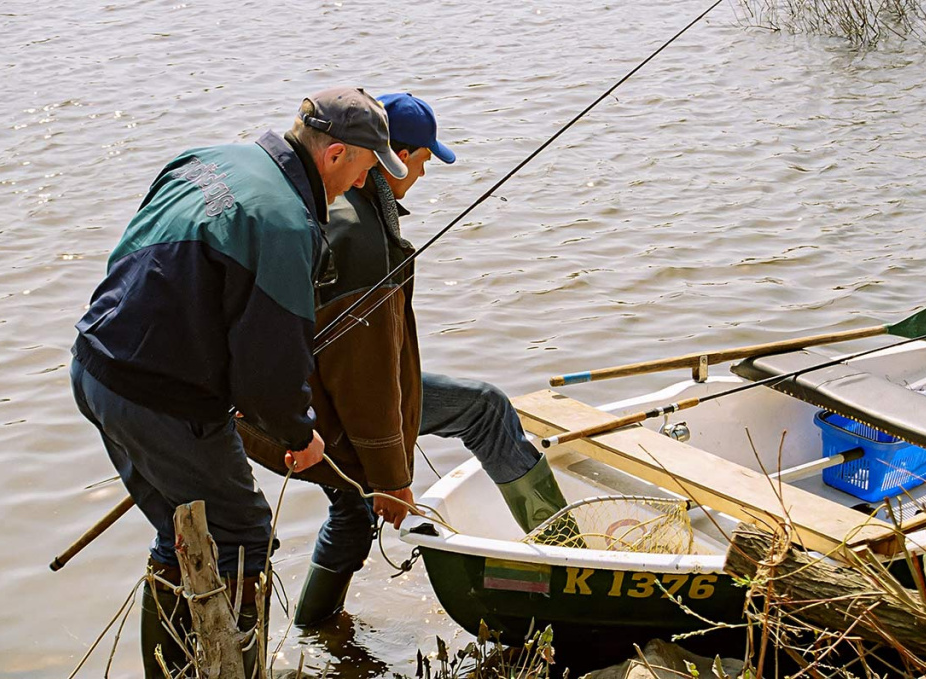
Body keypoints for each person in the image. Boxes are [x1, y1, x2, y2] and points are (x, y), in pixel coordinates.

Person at [69, 87, 407, 678]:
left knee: (185, 522)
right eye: (363, 167)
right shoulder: (283, 223)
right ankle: (231, 672)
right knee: (245, 535)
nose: (360, 184)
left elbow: (144, 263)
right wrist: (299, 434)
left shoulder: (207, 159)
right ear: (334, 155)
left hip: (95, 365)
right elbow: (268, 374)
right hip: (160, 397)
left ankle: (167, 672)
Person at [239, 93, 576, 627]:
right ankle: (573, 557)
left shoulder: (343, 204)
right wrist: (391, 475)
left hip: (269, 404)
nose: (420, 176)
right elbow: (364, 379)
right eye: (420, 163)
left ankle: (314, 629)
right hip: (311, 413)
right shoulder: (359, 233)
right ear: (389, 156)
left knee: (350, 512)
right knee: (485, 409)